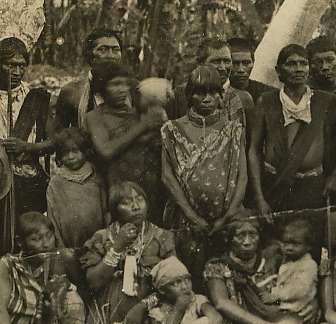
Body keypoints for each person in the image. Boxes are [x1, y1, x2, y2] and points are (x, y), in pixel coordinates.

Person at [248, 44, 336, 239]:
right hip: (275, 186)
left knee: (310, 242)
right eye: (291, 64)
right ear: (279, 72)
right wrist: (260, 198)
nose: (298, 69)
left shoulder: (325, 101)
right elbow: (254, 150)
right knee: (276, 245)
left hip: (312, 188)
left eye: (303, 63)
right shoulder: (267, 102)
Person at [160, 65, 247, 285]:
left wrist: (227, 217)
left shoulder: (234, 129)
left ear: (221, 96)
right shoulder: (172, 130)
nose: (206, 98)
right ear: (189, 97)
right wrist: (192, 217)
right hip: (185, 219)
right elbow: (167, 177)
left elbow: (242, 176)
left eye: (213, 92)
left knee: (224, 277)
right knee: (187, 279)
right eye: (199, 92)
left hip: (225, 219)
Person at [204, 210, 314, 324]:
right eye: (240, 235)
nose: (247, 242)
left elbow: (300, 284)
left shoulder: (273, 261)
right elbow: (221, 303)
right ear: (228, 238)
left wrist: (312, 303)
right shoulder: (217, 266)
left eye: (253, 234)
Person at [0, 37, 56, 254]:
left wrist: (27, 147)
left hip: (28, 179)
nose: (16, 71)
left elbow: (53, 142)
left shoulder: (38, 98)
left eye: (21, 65)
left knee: (29, 237)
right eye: (10, 65)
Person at [0, 212, 87, 324]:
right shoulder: (9, 264)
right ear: (20, 242)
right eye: (36, 239)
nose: (46, 244)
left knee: (71, 299)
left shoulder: (56, 260)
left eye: (49, 236)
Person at [81, 182, 176, 324]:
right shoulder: (102, 237)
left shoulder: (162, 237)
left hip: (151, 311)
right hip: (108, 309)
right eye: (126, 203)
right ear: (114, 209)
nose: (136, 207)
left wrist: (143, 306)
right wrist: (117, 246)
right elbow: (93, 282)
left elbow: (174, 283)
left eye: (139, 200)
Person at [83, 62, 166, 222]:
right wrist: (143, 125)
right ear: (102, 87)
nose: (122, 89)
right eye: (115, 84)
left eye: (125, 84)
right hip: (119, 188)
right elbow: (106, 151)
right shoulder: (95, 117)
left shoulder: (136, 114)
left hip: (149, 188)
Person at [123, 256, 224, 324]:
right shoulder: (157, 312)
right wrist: (178, 310)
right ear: (162, 290)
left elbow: (216, 318)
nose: (185, 286)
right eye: (176, 283)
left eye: (187, 279)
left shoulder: (197, 300)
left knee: (205, 323)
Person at [166, 38, 254, 133]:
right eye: (216, 61)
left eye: (227, 61)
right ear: (200, 64)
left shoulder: (243, 99)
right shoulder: (180, 95)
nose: (222, 67)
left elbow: (249, 142)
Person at [46, 127, 108, 250]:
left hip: (97, 243)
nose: (70, 157)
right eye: (65, 153)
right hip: (68, 246)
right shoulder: (56, 183)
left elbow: (106, 212)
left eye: (75, 150)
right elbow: (52, 219)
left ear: (85, 150)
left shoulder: (95, 177)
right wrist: (62, 250)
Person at [54, 27, 124, 131]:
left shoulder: (132, 89)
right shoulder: (72, 91)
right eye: (102, 50)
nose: (110, 56)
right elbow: (58, 136)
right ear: (90, 55)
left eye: (116, 50)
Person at [266, 219, 320, 324]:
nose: (289, 248)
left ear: (308, 246)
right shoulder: (286, 262)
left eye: (296, 244)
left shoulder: (309, 265)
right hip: (286, 306)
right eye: (286, 243)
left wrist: (276, 295)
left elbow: (300, 289)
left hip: (300, 309)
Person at [227, 37, 276, 104]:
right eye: (235, 63)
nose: (241, 69)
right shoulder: (216, 94)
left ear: (253, 62)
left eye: (246, 63)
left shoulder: (267, 93)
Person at [306, 35, 336, 99]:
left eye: (330, 60)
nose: (324, 67)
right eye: (317, 62)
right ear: (309, 66)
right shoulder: (303, 94)